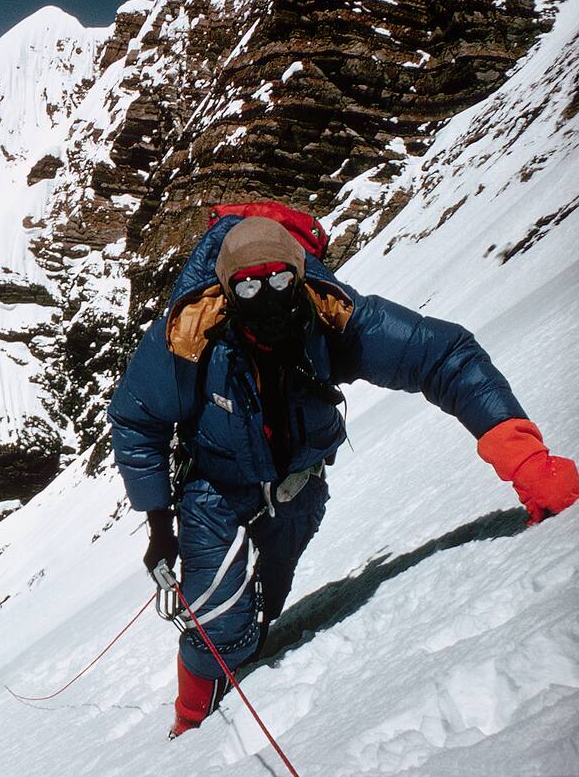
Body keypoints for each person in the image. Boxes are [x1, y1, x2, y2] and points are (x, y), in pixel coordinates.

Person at [107, 213, 579, 737]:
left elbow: (444, 357)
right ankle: (189, 724)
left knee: (265, 601)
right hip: (215, 492)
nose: (267, 295)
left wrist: (526, 461)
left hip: (298, 487)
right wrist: (159, 527)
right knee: (218, 624)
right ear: (225, 289)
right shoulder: (187, 340)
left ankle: (243, 660)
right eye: (247, 285)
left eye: (281, 279)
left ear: (300, 276)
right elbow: (135, 420)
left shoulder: (333, 318)